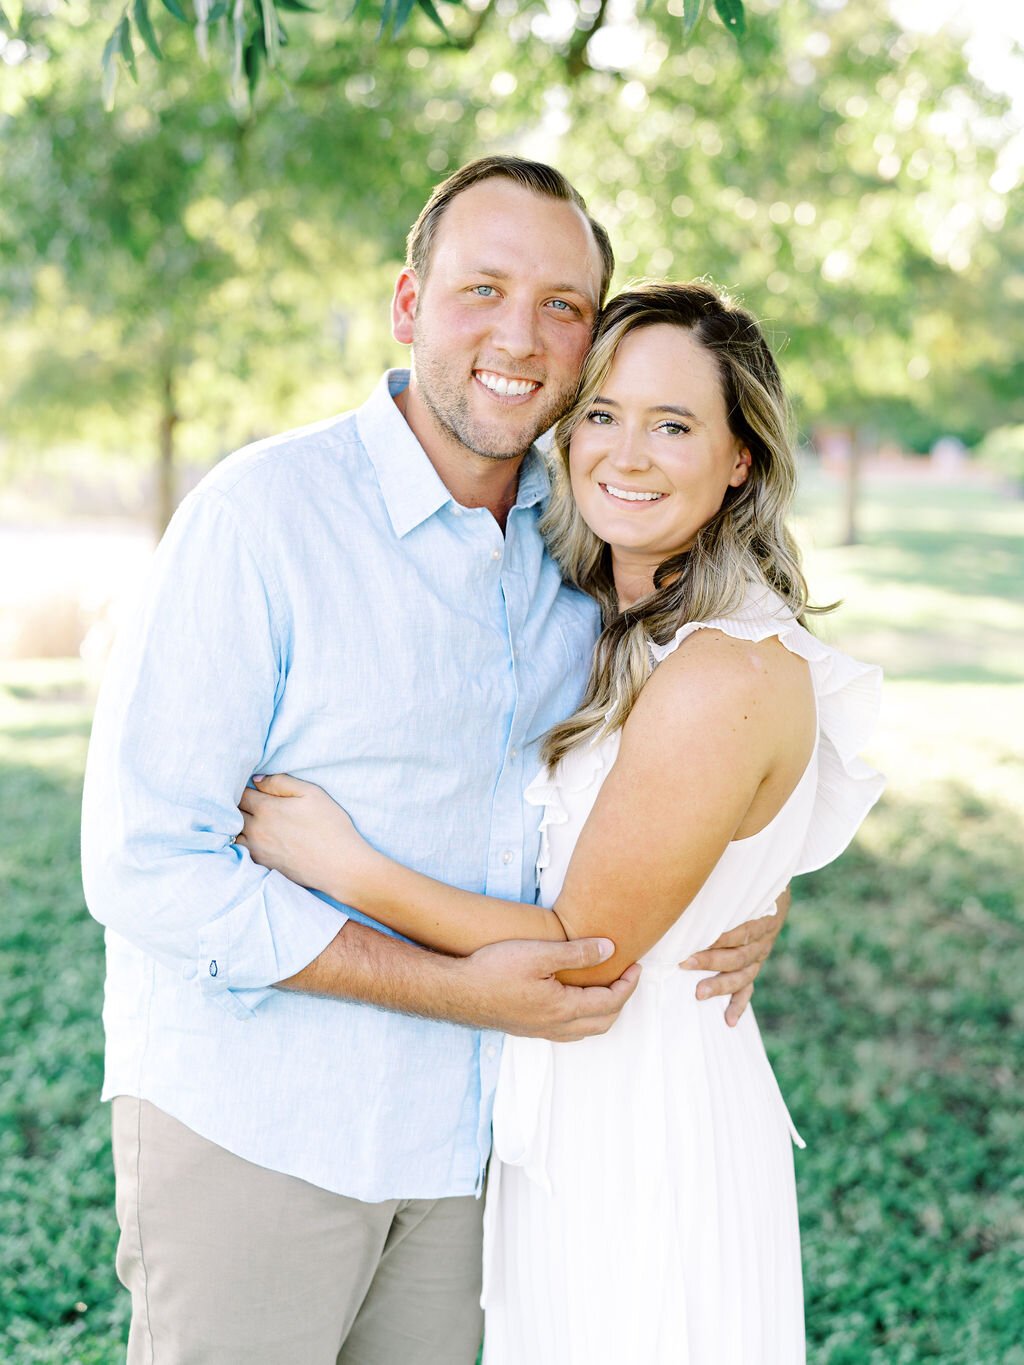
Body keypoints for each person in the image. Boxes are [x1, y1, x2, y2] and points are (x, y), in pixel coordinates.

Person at [80, 160, 787, 1365]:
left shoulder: (579, 553)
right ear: (408, 306)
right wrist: (455, 990)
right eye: (481, 290)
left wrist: (744, 897)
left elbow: (684, 766)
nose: (519, 336)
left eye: (562, 305)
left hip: (479, 1160)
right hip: (262, 1129)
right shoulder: (264, 516)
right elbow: (146, 867)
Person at [237, 281, 885, 1363]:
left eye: (673, 425)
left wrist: (344, 864)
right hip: (577, 1105)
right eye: (602, 414)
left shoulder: (720, 670)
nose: (625, 454)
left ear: (740, 460)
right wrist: (747, 897)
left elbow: (582, 948)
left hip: (646, 1126)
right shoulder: (616, 618)